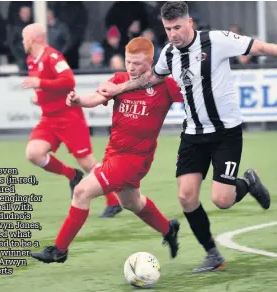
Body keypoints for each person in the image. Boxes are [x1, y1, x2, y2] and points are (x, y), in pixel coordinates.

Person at [97, 2, 277, 273]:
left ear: (190, 23)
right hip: (193, 134)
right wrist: (118, 88)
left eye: (177, 27)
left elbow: (262, 47)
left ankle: (248, 183)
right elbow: (150, 79)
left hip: (225, 134)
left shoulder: (217, 40)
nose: (172, 34)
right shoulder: (169, 54)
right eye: (168, 28)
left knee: (223, 199)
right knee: (186, 197)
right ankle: (212, 255)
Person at [30, 37, 182, 263]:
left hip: (135, 158)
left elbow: (193, 101)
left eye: (137, 63)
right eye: (128, 62)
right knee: (131, 203)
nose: (131, 68)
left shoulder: (165, 85)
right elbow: (98, 96)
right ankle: (168, 229)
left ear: (151, 63)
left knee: (81, 192)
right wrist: (78, 100)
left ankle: (59, 250)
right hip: (114, 152)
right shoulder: (120, 80)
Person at [21, 23, 122, 217]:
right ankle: (71, 175)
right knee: (33, 153)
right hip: (49, 119)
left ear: (33, 39)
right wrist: (39, 96)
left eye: (25, 38)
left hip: (69, 117)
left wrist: (40, 83)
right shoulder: (31, 59)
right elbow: (48, 87)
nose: (23, 42)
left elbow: (69, 81)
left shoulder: (53, 56)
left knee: (87, 162)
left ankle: (113, 201)